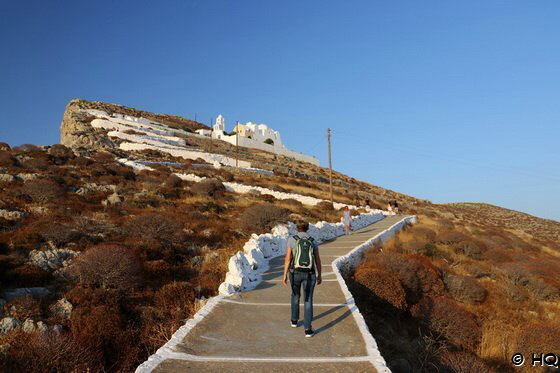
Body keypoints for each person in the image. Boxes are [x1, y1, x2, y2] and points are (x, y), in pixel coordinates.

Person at [282, 220, 322, 337]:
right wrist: (320, 274)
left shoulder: (292, 239)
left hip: (295, 273)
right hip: (310, 274)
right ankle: (308, 329)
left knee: (295, 295)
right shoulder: (312, 241)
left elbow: (288, 259)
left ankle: (294, 320)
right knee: (308, 299)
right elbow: (317, 260)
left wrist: (285, 274)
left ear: (296, 228)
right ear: (307, 228)